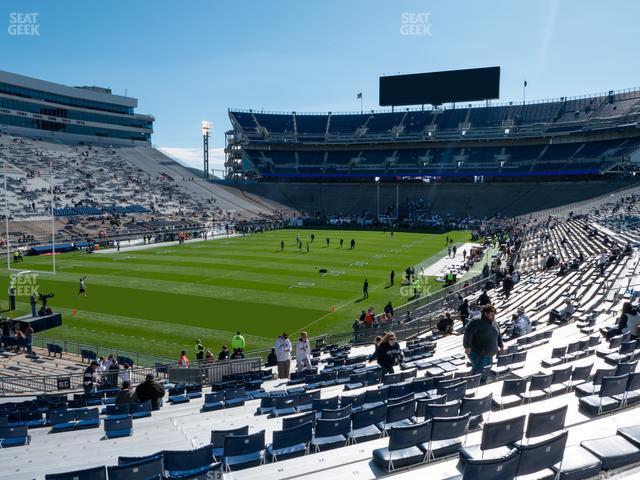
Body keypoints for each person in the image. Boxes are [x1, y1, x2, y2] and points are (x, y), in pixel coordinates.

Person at [463, 304, 504, 374]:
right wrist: (467, 347)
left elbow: (498, 334)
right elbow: (468, 334)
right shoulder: (475, 321)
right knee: (480, 372)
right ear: (485, 313)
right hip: (478, 353)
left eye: (494, 315)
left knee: (486, 371)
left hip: (490, 353)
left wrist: (501, 346)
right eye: (491, 314)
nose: (493, 317)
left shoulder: (494, 322)